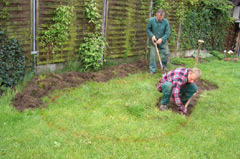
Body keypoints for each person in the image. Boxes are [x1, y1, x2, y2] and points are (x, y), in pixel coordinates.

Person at [146, 9, 170, 75]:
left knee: (166, 53)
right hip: (154, 42)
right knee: (153, 56)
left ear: (163, 16)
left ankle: (164, 66)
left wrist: (162, 39)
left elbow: (167, 33)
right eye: (159, 17)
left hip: (163, 42)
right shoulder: (151, 20)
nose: (160, 18)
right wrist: (152, 36)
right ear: (156, 15)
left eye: (161, 17)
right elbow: (148, 29)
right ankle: (152, 69)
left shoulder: (166, 22)